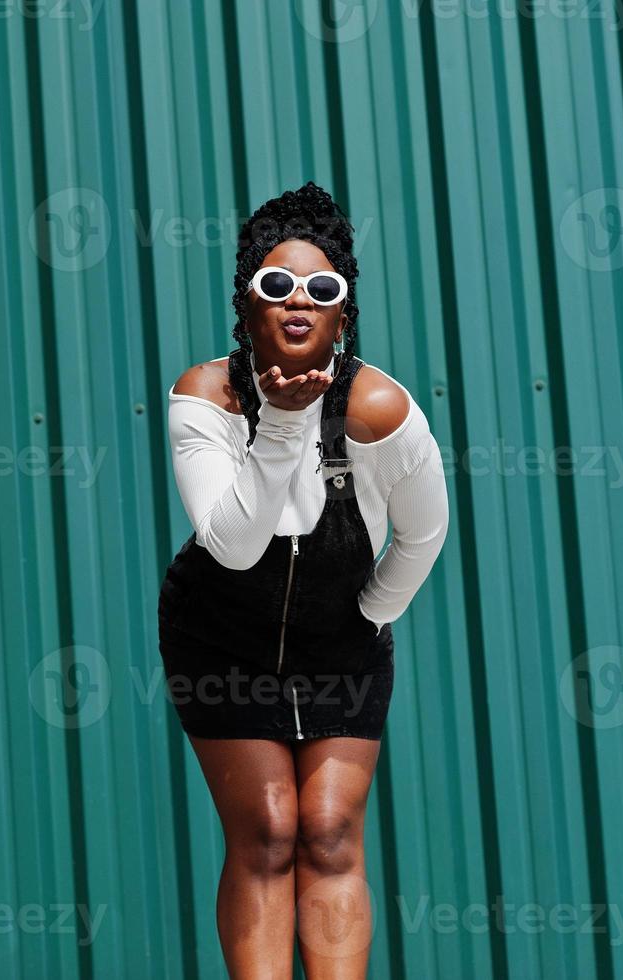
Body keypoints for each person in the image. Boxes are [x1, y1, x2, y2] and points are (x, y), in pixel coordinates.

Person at [157, 181, 450, 976]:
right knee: (267, 830)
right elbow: (235, 546)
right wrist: (283, 423)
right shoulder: (205, 396)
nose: (298, 301)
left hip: (338, 642)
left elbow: (425, 532)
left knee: (326, 832)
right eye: (275, 285)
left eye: (322, 289)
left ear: (343, 312)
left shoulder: (378, 407)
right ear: (245, 306)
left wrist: (371, 613)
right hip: (219, 638)